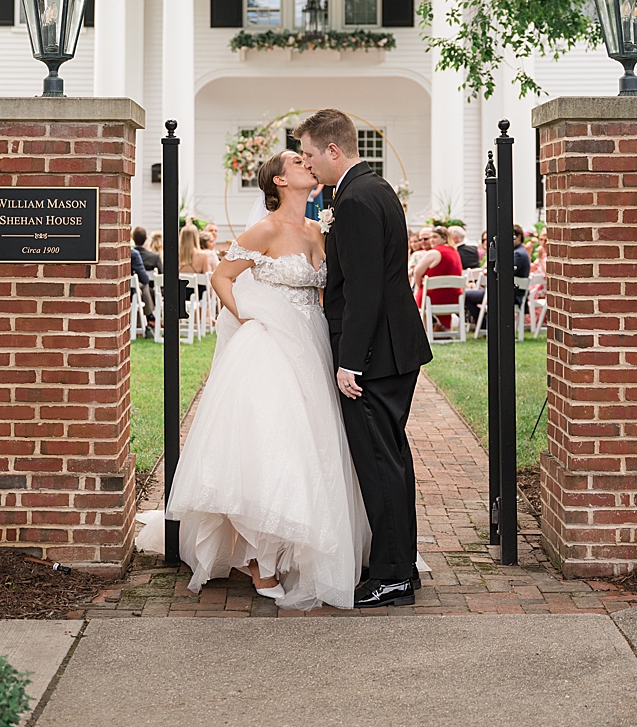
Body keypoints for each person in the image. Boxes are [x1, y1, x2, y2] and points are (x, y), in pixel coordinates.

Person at [137, 151, 367, 608]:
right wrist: (251, 315)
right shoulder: (264, 228)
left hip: (312, 339)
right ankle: (261, 557)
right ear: (280, 180)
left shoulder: (320, 229)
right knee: (274, 439)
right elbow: (223, 277)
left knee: (313, 440)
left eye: (308, 159)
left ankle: (296, 544)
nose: (308, 164)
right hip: (270, 343)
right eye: (298, 162)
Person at [299, 108, 431, 608]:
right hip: (396, 349)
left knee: (379, 464)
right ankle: (400, 566)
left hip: (374, 358)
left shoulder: (353, 201)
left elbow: (364, 292)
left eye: (311, 155)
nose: (309, 166)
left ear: (334, 150)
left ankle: (393, 575)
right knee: (392, 460)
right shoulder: (374, 189)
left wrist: (350, 361)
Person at [412, 227, 464, 331]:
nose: (431, 240)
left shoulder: (434, 252)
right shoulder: (455, 252)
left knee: (419, 295)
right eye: (430, 237)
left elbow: (417, 272)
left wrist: (419, 287)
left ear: (444, 238)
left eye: (435, 237)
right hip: (454, 296)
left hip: (433, 297)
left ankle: (426, 331)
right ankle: (444, 328)